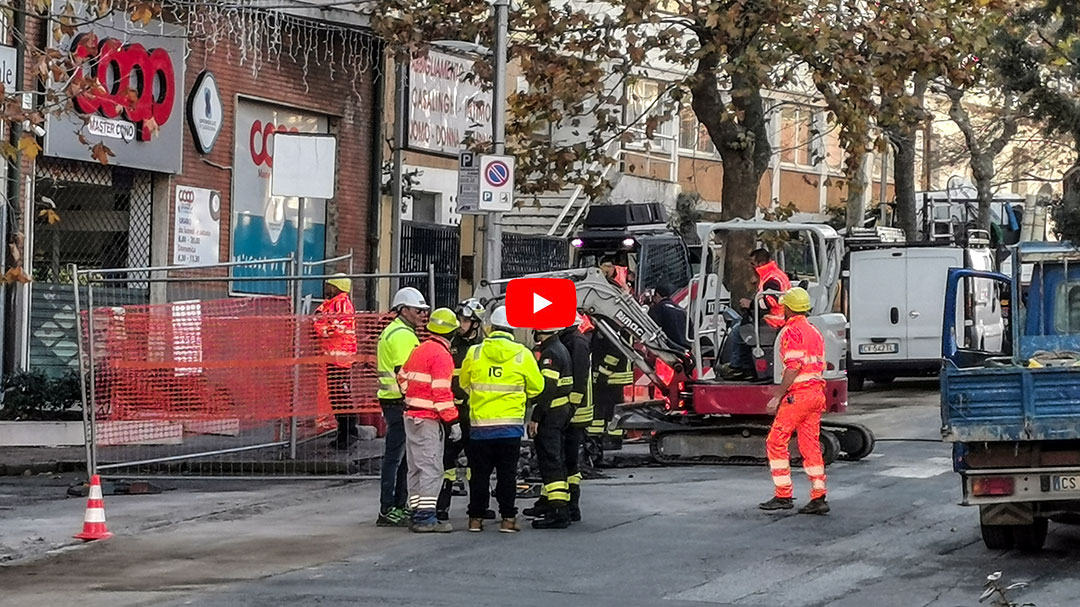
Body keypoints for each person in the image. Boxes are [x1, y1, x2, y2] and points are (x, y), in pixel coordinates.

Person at [458, 306, 544, 533]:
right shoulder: (522, 354)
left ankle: (475, 519)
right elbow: (537, 387)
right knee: (507, 475)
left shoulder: (474, 353)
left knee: (479, 474)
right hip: (509, 429)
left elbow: (464, 383)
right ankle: (508, 519)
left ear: (491, 328)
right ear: (512, 330)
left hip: (479, 427)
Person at [759, 287, 830, 515]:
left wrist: (777, 395)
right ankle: (819, 496)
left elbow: (794, 366)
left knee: (775, 442)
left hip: (798, 396)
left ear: (788, 308)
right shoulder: (814, 331)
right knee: (810, 446)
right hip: (816, 395)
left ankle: (783, 495)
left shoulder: (791, 332)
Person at [399, 308, 462, 533]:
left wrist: (413, 397)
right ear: (452, 332)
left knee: (415, 467)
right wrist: (453, 421)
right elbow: (442, 393)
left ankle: (416, 511)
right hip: (427, 420)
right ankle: (426, 517)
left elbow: (402, 377)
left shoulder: (420, 349)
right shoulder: (442, 355)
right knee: (431, 468)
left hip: (411, 416)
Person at [375, 286, 430, 527]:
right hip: (399, 402)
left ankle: (397, 504)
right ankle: (388, 508)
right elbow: (404, 374)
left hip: (396, 400)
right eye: (418, 310)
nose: (423, 315)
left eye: (424, 311)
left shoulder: (399, 331)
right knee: (396, 457)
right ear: (403, 309)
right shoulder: (401, 335)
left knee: (402, 456)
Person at [436, 298, 490, 522]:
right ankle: (441, 507)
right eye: (459, 319)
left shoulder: (483, 347)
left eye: (465, 320)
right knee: (446, 461)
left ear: (476, 323)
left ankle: (478, 507)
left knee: (477, 463)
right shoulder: (452, 342)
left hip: (474, 412)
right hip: (451, 410)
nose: (460, 323)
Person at [524, 321, 574, 529]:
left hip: (551, 414)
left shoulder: (550, 354)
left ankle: (559, 511)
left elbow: (547, 390)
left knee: (550, 461)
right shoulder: (559, 347)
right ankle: (553, 504)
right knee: (555, 459)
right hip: (560, 412)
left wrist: (535, 418)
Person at [726, 249, 792, 378]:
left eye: (752, 263)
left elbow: (769, 302)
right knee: (739, 324)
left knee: (738, 331)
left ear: (760, 263)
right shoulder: (774, 275)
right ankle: (744, 366)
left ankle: (738, 367)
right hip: (775, 319)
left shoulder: (772, 279)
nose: (751, 267)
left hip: (773, 321)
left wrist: (750, 304)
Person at [312, 274, 358, 450]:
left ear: (337, 287)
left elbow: (334, 328)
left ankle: (349, 433)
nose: (326, 288)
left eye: (329, 285)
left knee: (342, 397)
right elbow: (317, 317)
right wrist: (321, 324)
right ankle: (344, 433)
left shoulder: (343, 305)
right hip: (333, 359)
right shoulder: (330, 304)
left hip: (341, 360)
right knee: (336, 397)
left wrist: (322, 328)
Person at [561, 313, 593, 521]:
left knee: (570, 460)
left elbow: (579, 378)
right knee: (563, 459)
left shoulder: (577, 342)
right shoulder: (571, 339)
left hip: (576, 411)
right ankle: (559, 501)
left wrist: (572, 405)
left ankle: (572, 505)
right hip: (570, 409)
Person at [588, 327, 632, 455]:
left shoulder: (611, 327)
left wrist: (603, 370)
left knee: (605, 409)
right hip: (611, 377)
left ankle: (609, 438)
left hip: (611, 377)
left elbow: (616, 351)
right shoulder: (612, 325)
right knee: (606, 409)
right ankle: (604, 437)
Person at [648, 282, 690, 350]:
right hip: (685, 348)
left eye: (654, 297)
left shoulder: (658, 309)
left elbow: (651, 327)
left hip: (669, 348)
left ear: (657, 295)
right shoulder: (681, 310)